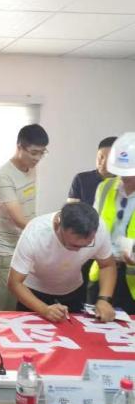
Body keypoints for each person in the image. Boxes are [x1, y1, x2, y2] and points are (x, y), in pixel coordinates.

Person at [8, 202, 116, 322]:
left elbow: (107, 265)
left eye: (86, 245)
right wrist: (44, 309)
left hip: (73, 292)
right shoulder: (35, 232)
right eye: (73, 245)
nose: (78, 250)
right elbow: (15, 283)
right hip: (34, 294)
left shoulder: (100, 229)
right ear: (57, 225)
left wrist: (104, 300)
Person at [0, 124, 49, 311]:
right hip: (4, 249)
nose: (37, 158)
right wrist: (48, 231)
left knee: (24, 304)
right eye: (33, 152)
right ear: (19, 147)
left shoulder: (31, 168)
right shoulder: (4, 175)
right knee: (5, 307)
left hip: (25, 245)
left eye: (42, 153)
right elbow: (19, 219)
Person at [90, 132, 135, 314]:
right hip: (103, 268)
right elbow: (93, 224)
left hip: (132, 281)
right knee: (93, 322)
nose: (124, 178)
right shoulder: (105, 187)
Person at [67, 136, 117, 205]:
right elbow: (71, 208)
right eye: (101, 157)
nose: (103, 163)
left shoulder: (124, 182)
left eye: (109, 159)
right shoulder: (81, 179)